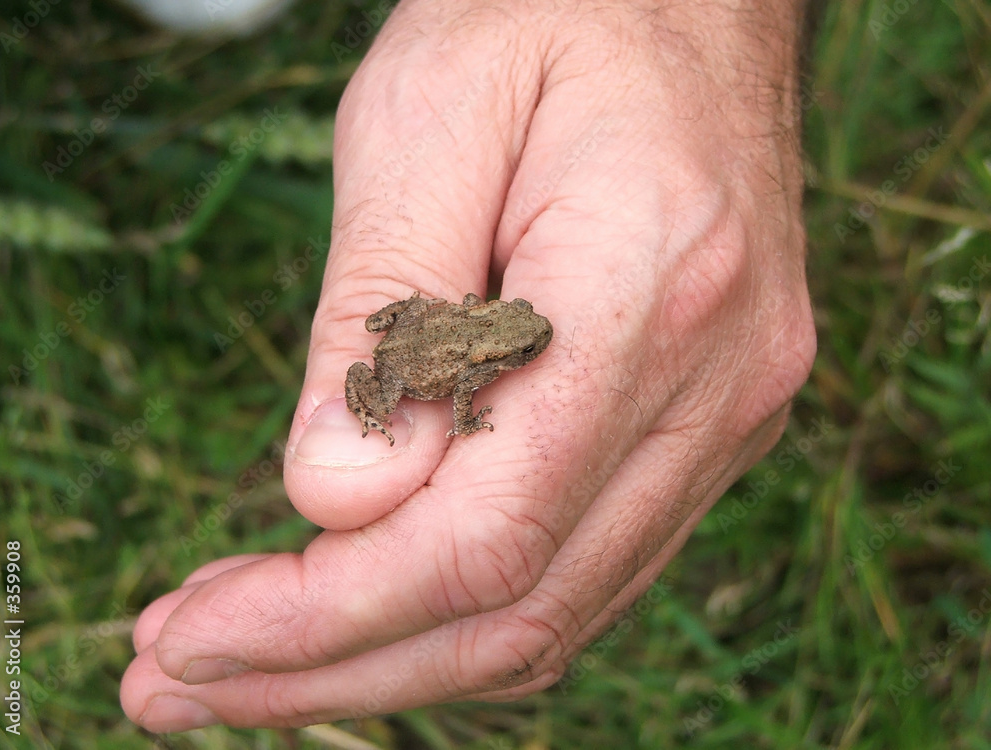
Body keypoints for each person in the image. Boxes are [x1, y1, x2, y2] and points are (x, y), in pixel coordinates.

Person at [121, 0, 817, 731]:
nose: (530, 349)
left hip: (438, 327)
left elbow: (482, 331)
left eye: (523, 342)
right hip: (412, 360)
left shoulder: (495, 336)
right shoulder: (477, 368)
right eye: (522, 350)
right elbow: (458, 395)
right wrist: (460, 414)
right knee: (379, 390)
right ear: (500, 350)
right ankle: (366, 414)